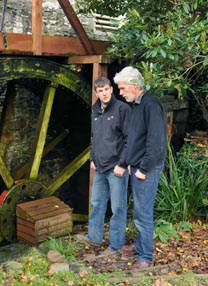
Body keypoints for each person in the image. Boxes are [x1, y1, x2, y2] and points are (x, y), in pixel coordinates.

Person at [113, 66, 167, 269]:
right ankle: (139, 245)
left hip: (147, 168)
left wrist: (143, 169)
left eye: (123, 88)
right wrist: (128, 162)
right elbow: (135, 139)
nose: (121, 92)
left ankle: (145, 257)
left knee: (143, 212)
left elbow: (156, 142)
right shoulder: (137, 105)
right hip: (137, 166)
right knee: (138, 210)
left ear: (135, 86)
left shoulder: (151, 105)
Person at [75, 77, 131, 256]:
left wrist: (122, 164)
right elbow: (94, 137)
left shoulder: (122, 109)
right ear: (96, 93)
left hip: (116, 168)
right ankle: (94, 236)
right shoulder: (95, 110)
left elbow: (130, 139)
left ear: (111, 89)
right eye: (100, 91)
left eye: (106, 89)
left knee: (117, 207)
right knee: (97, 203)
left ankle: (115, 246)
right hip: (100, 166)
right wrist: (93, 157)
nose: (104, 93)